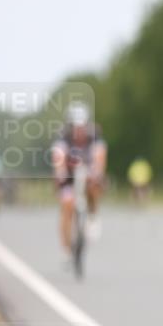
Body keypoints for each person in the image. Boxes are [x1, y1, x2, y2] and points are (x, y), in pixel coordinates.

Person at [51, 102, 107, 262]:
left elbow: (100, 156)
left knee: (95, 187)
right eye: (75, 126)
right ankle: (67, 248)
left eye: (81, 126)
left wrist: (97, 173)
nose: (79, 130)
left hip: (88, 172)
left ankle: (93, 216)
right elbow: (58, 158)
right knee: (67, 206)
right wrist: (60, 173)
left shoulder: (95, 136)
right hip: (69, 176)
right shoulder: (62, 137)